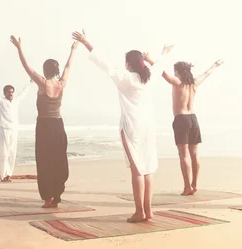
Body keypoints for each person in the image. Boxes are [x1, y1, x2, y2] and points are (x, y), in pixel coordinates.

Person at [72, 29, 173, 222]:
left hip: (131, 127)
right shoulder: (148, 77)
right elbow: (159, 65)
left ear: (128, 63)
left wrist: (86, 42)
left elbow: (103, 62)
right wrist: (165, 52)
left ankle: (139, 212)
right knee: (148, 169)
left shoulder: (124, 78)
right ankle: (148, 210)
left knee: (137, 170)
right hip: (149, 127)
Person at [9, 35, 78, 208]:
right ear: (56, 70)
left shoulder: (42, 83)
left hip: (45, 126)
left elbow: (26, 67)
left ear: (45, 70)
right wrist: (73, 51)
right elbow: (69, 66)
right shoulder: (61, 84)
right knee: (58, 160)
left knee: (45, 161)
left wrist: (19, 48)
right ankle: (56, 195)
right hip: (58, 126)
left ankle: (48, 199)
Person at [161, 59, 224, 196]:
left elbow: (163, 73)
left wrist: (150, 60)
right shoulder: (194, 83)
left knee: (183, 155)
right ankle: (194, 184)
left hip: (181, 119)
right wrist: (215, 65)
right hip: (193, 119)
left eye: (175, 71)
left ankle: (187, 187)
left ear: (177, 72)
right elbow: (206, 73)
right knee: (194, 154)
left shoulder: (178, 83)